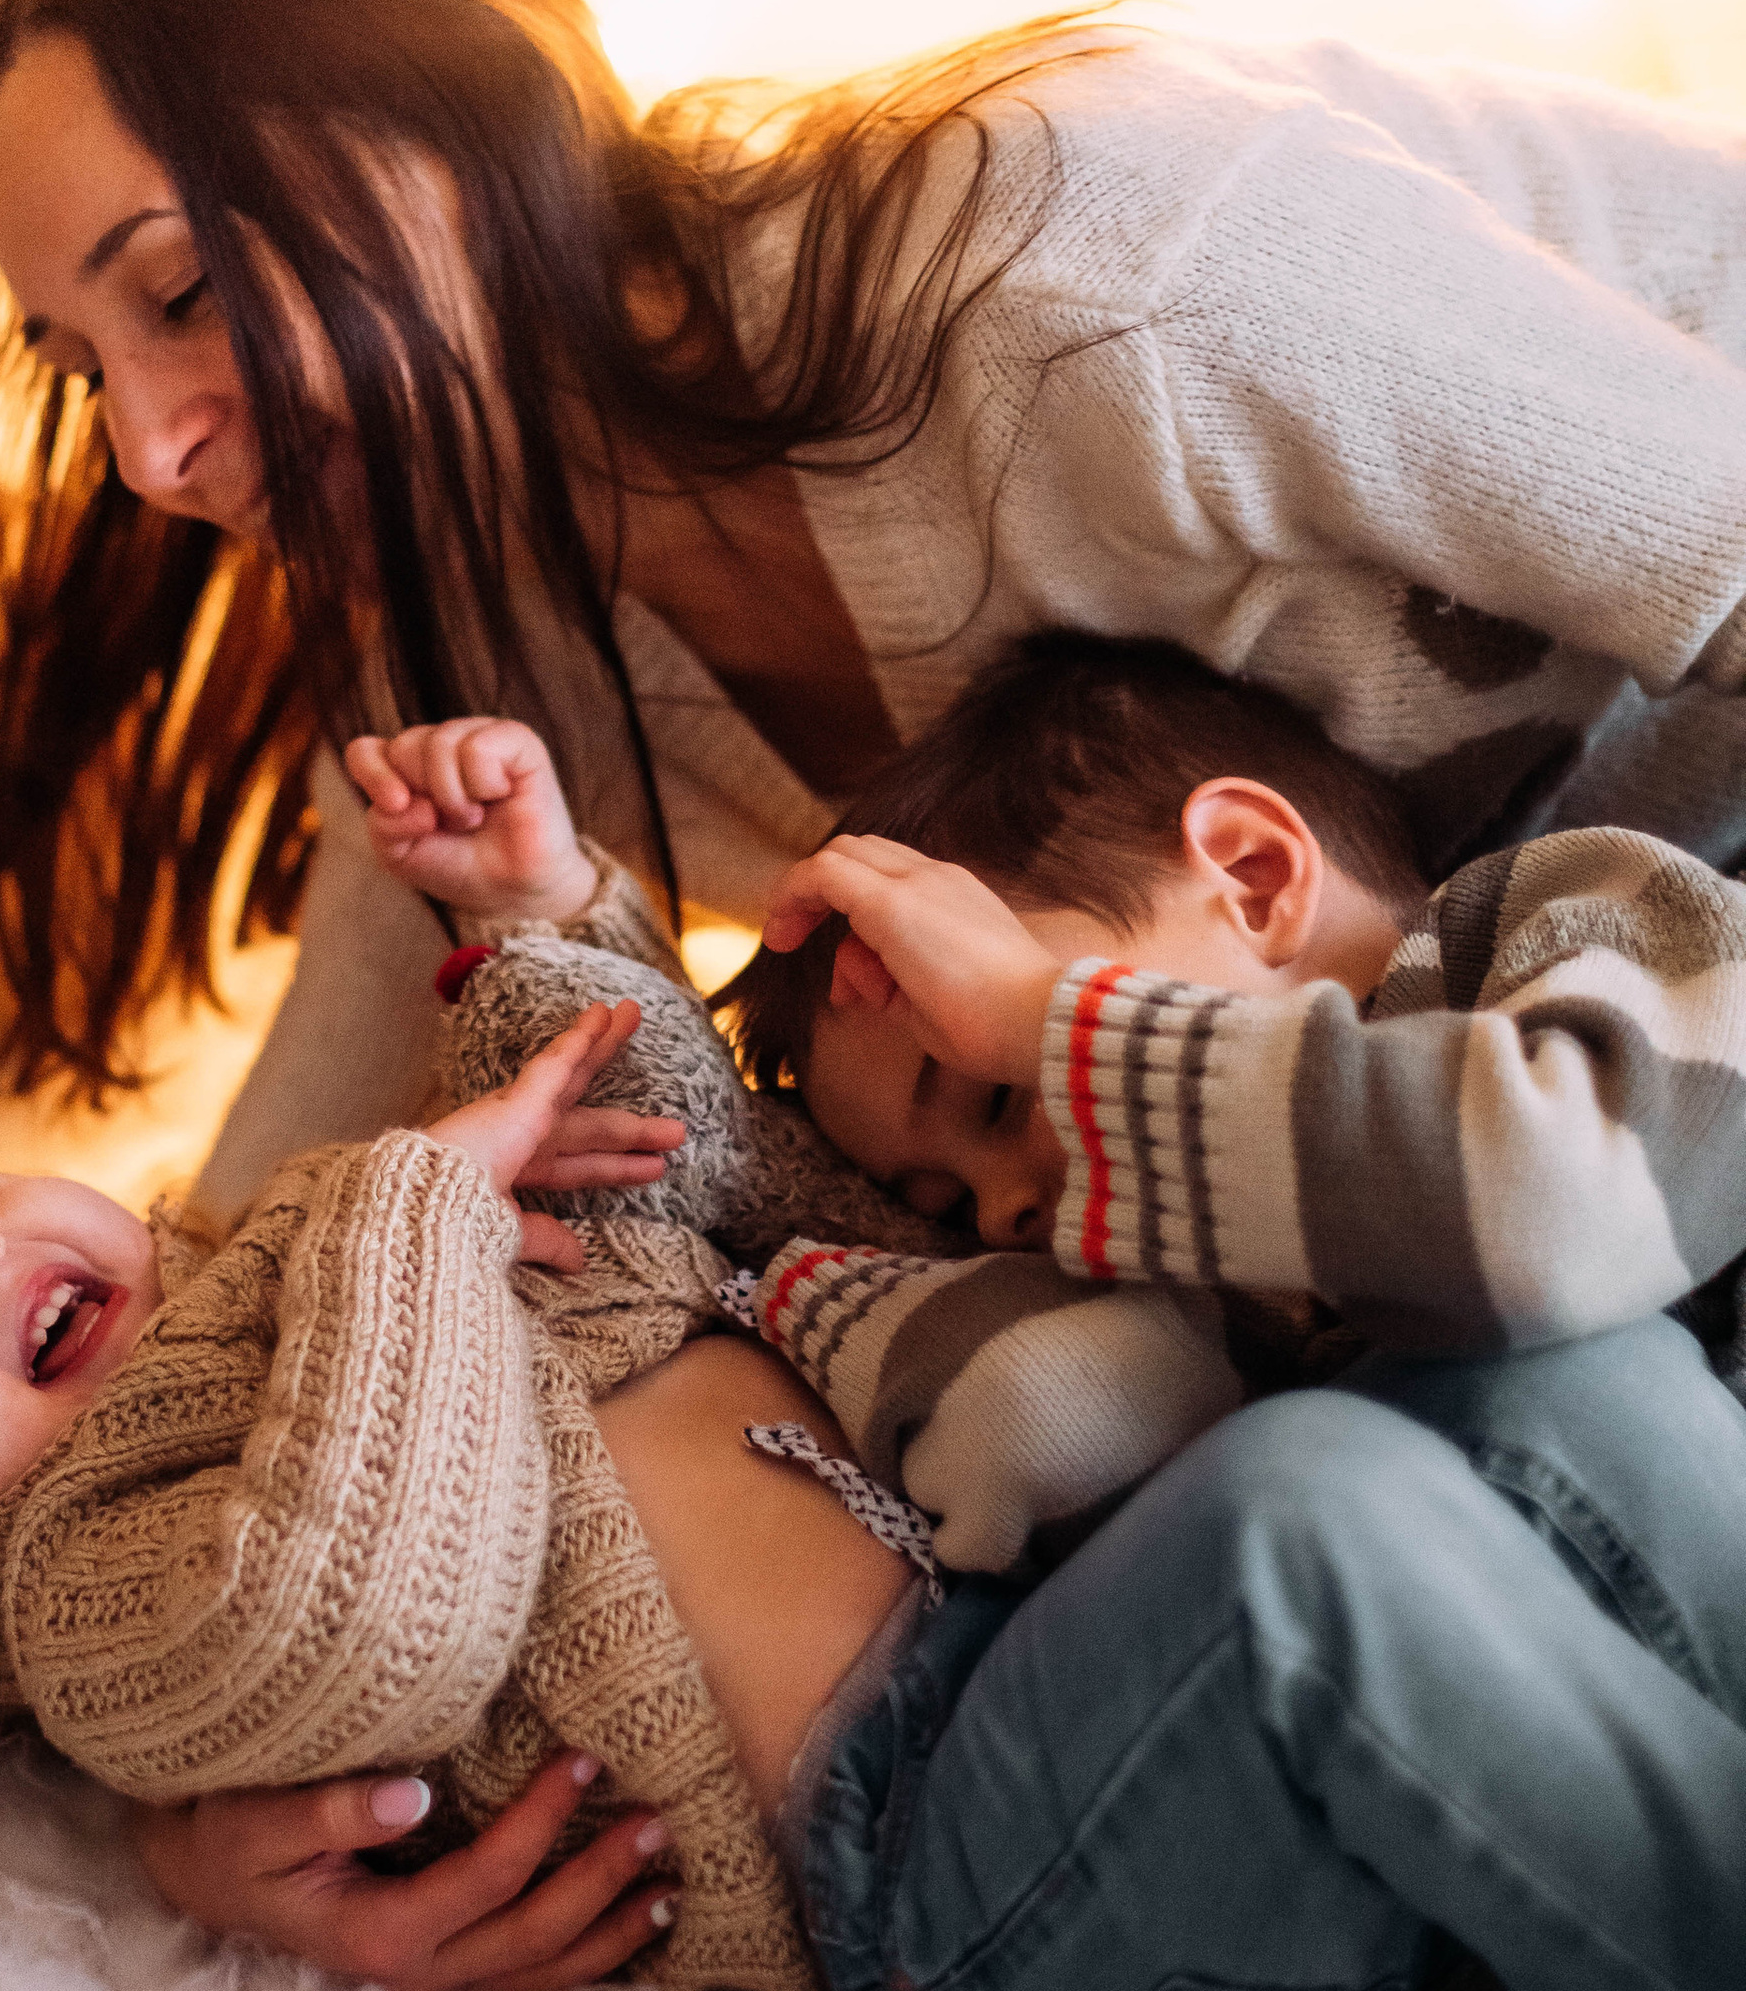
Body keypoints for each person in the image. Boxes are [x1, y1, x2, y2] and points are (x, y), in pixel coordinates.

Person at [0, 0, 1746, 1991]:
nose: (145, 456)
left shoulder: (1077, 267)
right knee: (1401, 1497)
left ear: (438, 122)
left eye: (181, 297)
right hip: (1494, 1155)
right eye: (83, 371)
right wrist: (205, 1797)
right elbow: (310, 1203)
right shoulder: (473, 633)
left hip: (1657, 971)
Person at [0, 711, 1746, 1991]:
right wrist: (410, 1206)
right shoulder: (103, 1583)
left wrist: (539, 930)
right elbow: (354, 1609)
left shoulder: (314, 1254)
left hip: (1081, 1671)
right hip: (972, 1888)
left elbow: (684, 1169)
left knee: (1549, 1374)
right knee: (1308, 1519)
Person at [716, 628, 1746, 1571]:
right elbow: (1034, 1431)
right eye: (943, 1203)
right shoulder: (1231, 1296)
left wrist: (1039, 1016)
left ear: (1250, 878)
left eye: (993, 1095)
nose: (996, 1215)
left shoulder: (1589, 914)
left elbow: (1554, 1204)